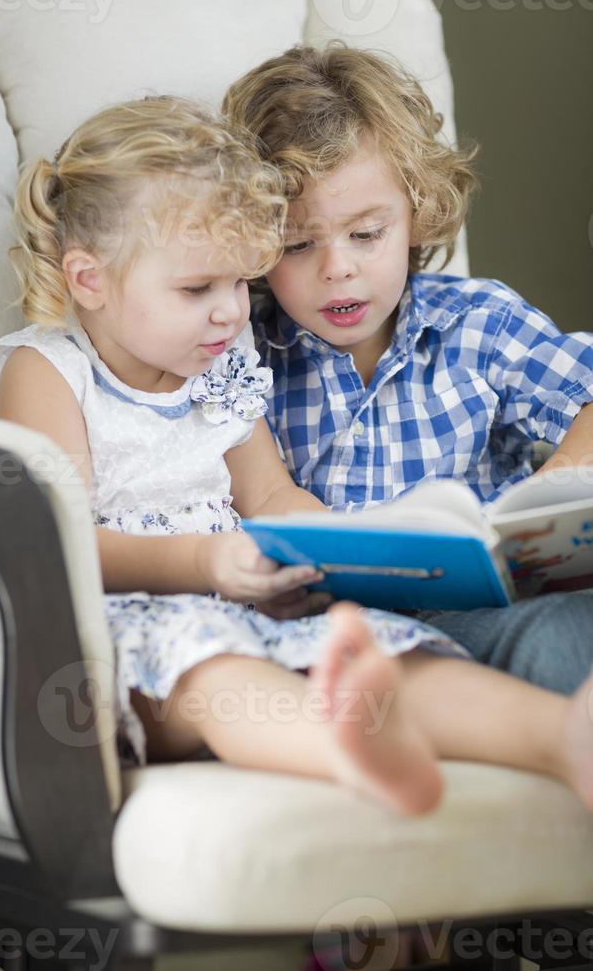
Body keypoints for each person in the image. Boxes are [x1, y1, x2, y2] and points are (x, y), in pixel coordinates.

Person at [0, 95, 593, 817]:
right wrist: (206, 562)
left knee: (388, 650)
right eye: (199, 287)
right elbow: (51, 542)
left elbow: (270, 496)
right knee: (217, 670)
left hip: (250, 608)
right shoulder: (48, 371)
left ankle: (560, 734)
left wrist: (327, 555)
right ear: (89, 280)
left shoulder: (223, 365)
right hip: (134, 637)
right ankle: (351, 754)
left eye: (242, 281)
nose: (234, 311)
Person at [222, 45, 593, 695]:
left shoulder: (481, 321)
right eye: (298, 244)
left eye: (367, 234)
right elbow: (268, 502)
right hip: (345, 636)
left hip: (497, 609)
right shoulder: (240, 354)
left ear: (416, 213)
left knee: (565, 628)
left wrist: (555, 484)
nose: (338, 267)